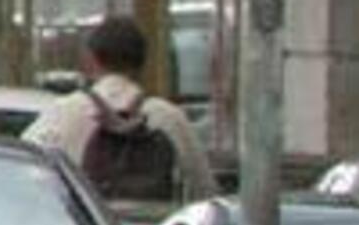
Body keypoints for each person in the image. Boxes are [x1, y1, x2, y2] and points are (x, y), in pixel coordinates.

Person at [24, 14, 219, 207]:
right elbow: (204, 193)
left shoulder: (62, 113)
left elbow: (27, 177)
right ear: (143, 62)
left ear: (91, 59)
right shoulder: (171, 118)